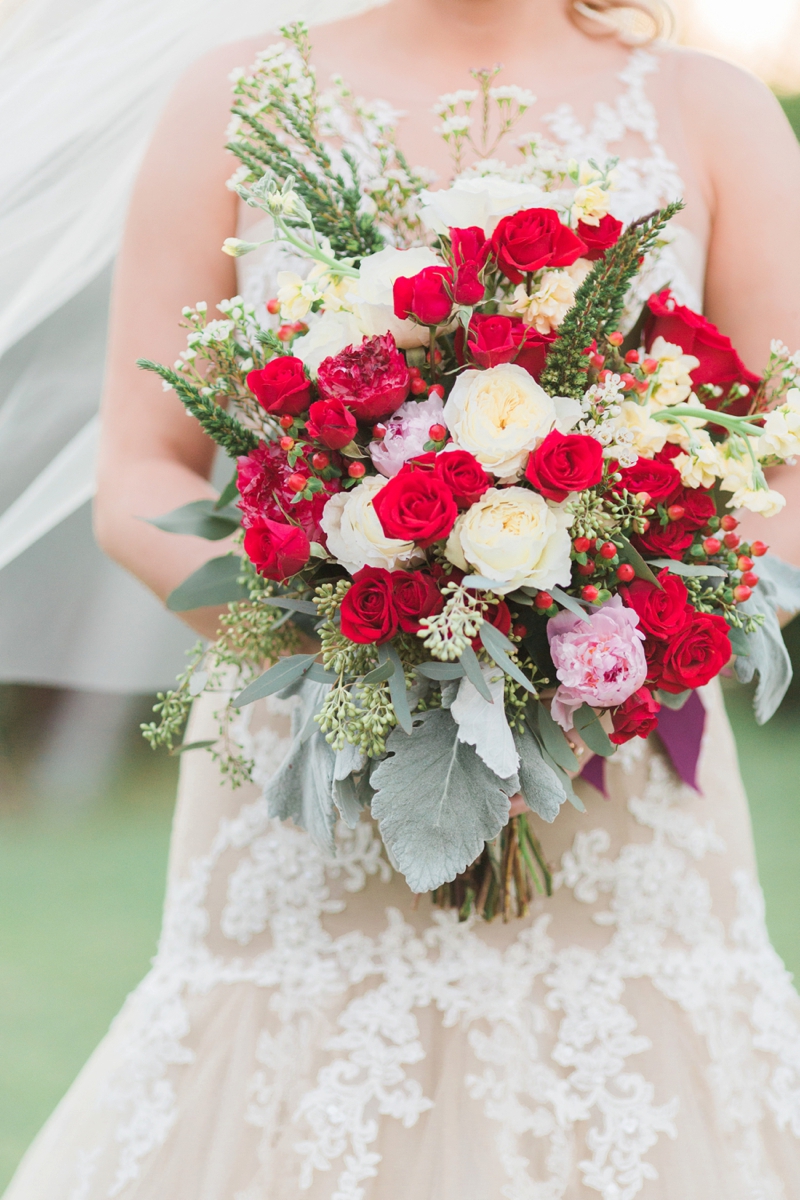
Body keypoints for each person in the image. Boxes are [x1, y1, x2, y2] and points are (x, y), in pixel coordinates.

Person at [5, 0, 800, 1196]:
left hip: (612, 784)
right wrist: (349, 660)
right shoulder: (236, 100)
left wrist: (601, 652)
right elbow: (139, 481)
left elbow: (781, 468)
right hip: (308, 784)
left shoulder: (710, 109)